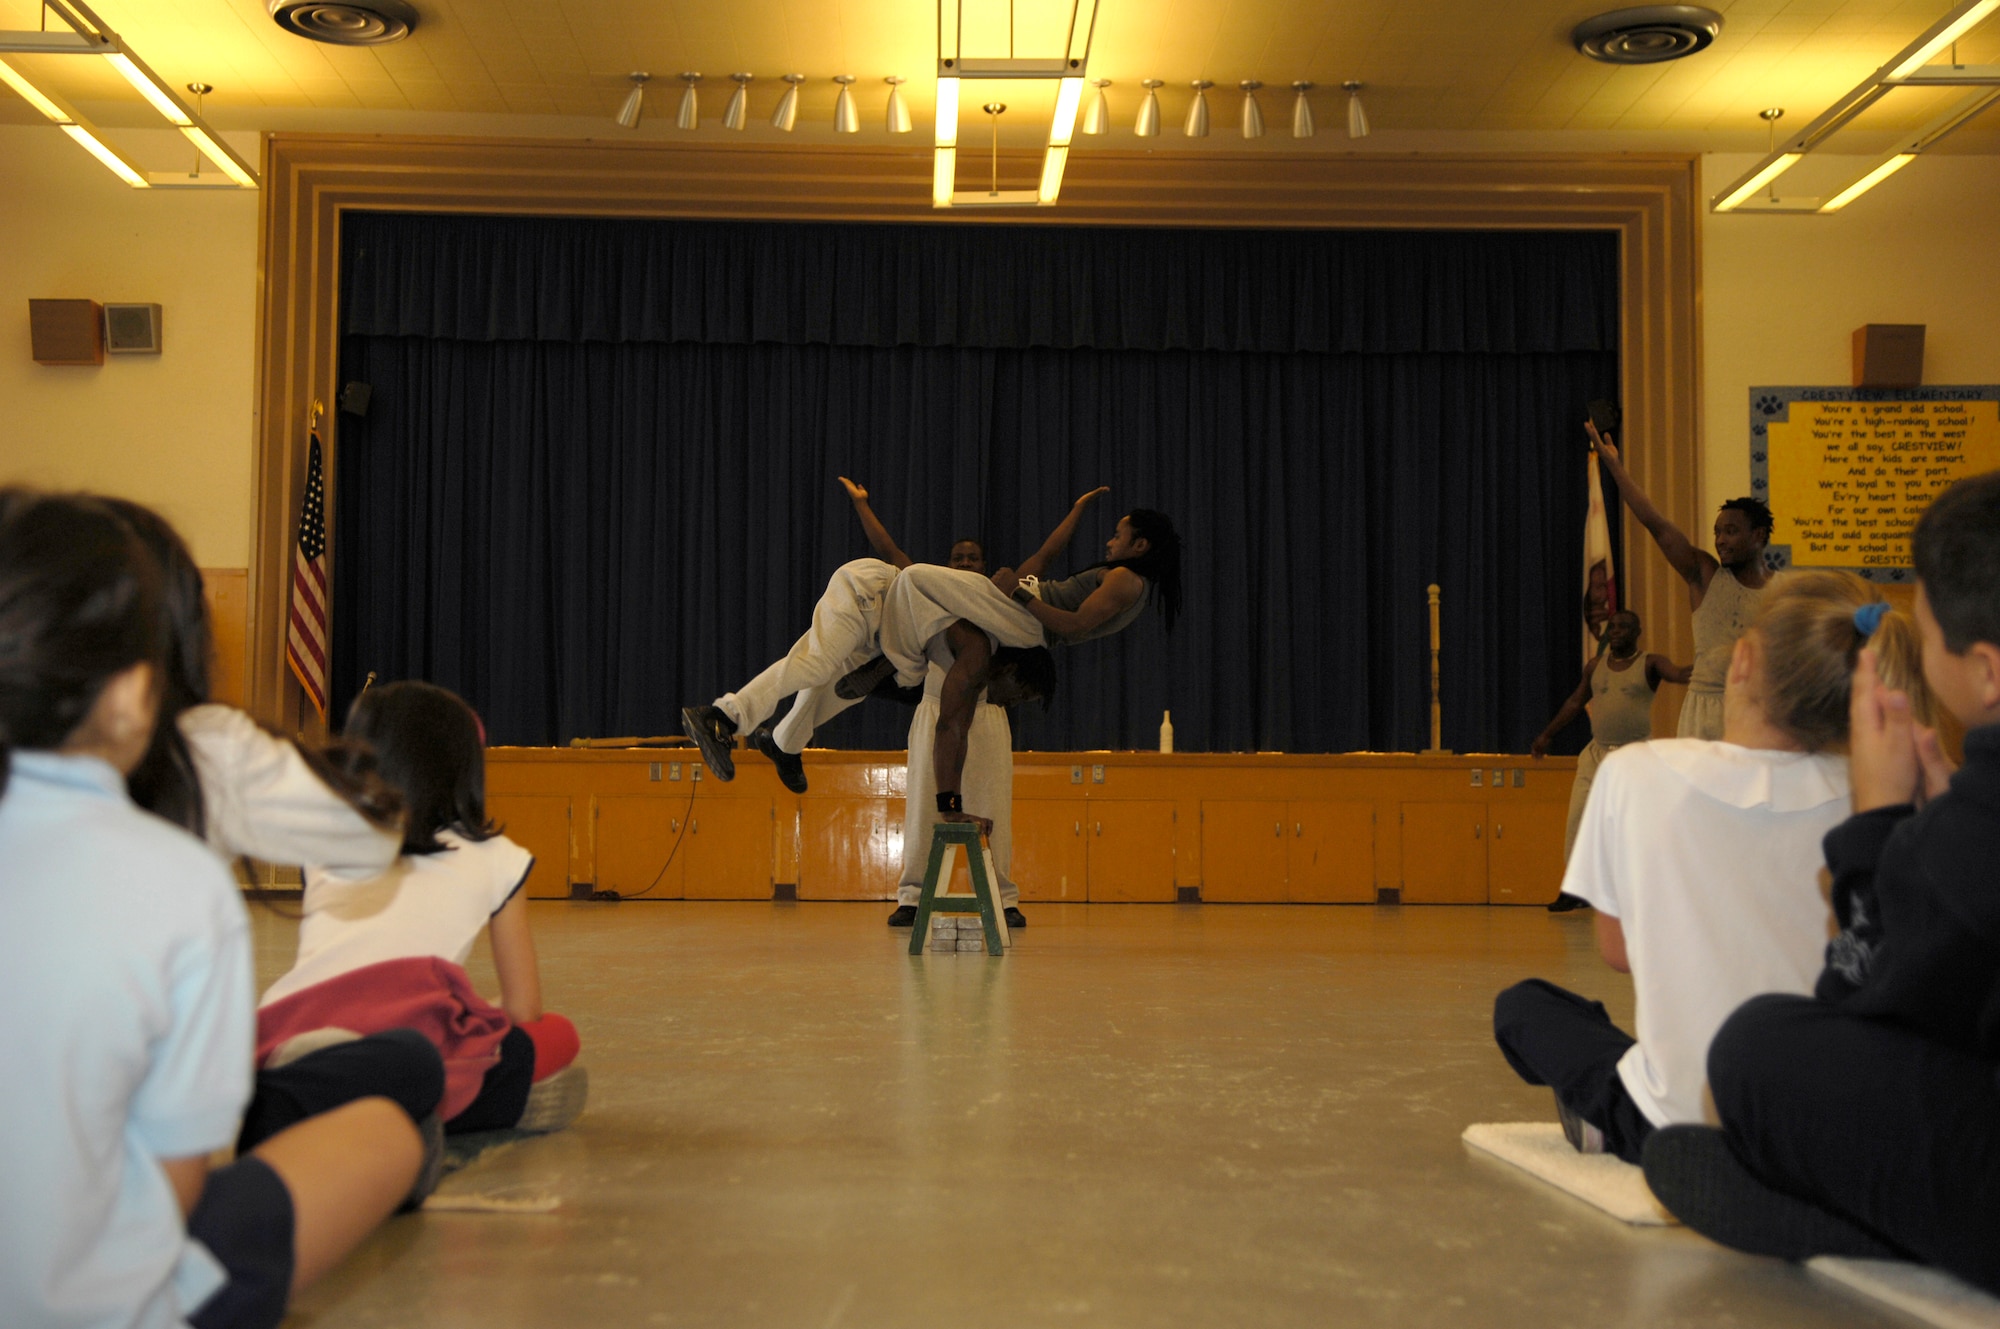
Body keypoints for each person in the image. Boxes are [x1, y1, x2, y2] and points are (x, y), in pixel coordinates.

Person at [0, 488, 435, 1329]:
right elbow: (172, 1197)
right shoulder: (202, 777)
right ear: (134, 687)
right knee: (391, 1111)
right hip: (111, 1276)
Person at [1642, 471, 2000, 1295]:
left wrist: (1880, 821)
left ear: (1982, 674)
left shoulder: (1956, 836)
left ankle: (1869, 1210)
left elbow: (1867, 1004)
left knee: (1753, 1046)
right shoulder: (1973, 815)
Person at [1491, 570, 1929, 1165]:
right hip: (1821, 1112)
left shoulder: (1634, 773)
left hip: (1676, 1121)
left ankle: (1605, 1116)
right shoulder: (1879, 799)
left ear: (1742, 662)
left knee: (1525, 1007)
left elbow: (1619, 952)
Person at [259, 680, 588, 1137]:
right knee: (553, 1036)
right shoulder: (498, 858)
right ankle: (413, 1105)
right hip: (404, 1033)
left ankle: (312, 1089)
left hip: (290, 1022)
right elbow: (523, 1008)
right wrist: (477, 1014)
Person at [679, 481, 1102, 790]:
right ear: (1013, 667)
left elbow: (1045, 559)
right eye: (1019, 694)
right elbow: (949, 732)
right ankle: (721, 716)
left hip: (880, 634)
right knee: (818, 663)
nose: (1009, 702)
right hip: (870, 592)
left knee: (838, 686)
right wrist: (952, 810)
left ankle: (785, 743)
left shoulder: (977, 619)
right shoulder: (978, 644)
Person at [861, 508, 1183, 832]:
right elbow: (1046, 554)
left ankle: (899, 667)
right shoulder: (980, 638)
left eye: (1118, 535)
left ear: (1140, 545)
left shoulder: (1126, 579)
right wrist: (1077, 510)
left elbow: (1074, 626)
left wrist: (1018, 592)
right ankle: (950, 803)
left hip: (1029, 622)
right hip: (1014, 615)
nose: (1110, 542)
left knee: (914, 577)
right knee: (924, 602)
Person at [832, 478, 1030, 932]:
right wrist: (863, 504)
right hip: (934, 714)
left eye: (972, 558)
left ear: (984, 567)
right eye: (957, 558)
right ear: (946, 566)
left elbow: (1047, 557)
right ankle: (914, 896)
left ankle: (1003, 897)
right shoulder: (926, 597)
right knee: (924, 805)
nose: (964, 563)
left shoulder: (1001, 601)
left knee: (992, 804)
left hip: (987, 717)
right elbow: (890, 552)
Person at [1590, 422, 1774, 740]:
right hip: (1706, 711)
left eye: (1730, 531)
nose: (1720, 540)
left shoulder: (1783, 591)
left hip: (1758, 708)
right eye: (1717, 532)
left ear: (1757, 536)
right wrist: (1615, 468)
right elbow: (1656, 524)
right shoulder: (1704, 574)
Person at [1531, 610, 1690, 913]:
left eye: (1624, 627)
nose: (1616, 631)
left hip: (1633, 755)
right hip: (1596, 754)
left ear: (1637, 631)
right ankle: (1576, 889)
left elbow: (1678, 673)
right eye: (1612, 627)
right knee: (1578, 820)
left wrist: (1707, 667)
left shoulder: (1650, 663)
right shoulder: (1595, 666)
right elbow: (1576, 701)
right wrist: (1547, 734)